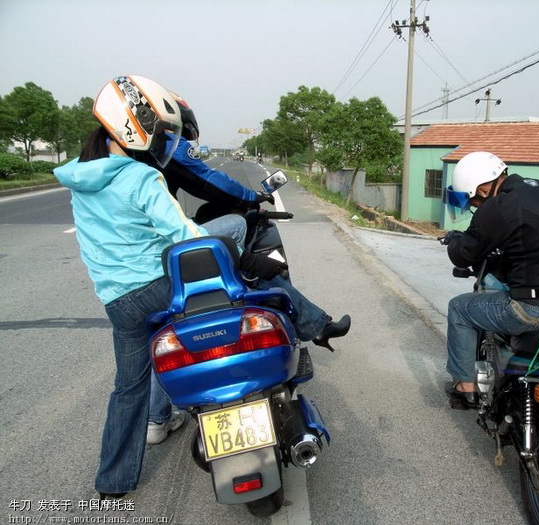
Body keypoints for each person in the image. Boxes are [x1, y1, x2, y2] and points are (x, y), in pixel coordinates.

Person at [53, 75, 350, 497]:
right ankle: (307, 322)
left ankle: (113, 482)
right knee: (236, 237)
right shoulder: (141, 178)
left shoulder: (82, 179)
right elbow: (185, 236)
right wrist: (240, 259)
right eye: (158, 135)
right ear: (131, 127)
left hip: (117, 300)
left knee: (128, 385)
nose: (162, 145)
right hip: (159, 285)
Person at [441, 151, 539, 409]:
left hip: (529, 310)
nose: (476, 206)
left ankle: (466, 387)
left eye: (474, 201)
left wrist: (455, 239)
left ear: (482, 191)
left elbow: (464, 255)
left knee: (460, 308)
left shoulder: (497, 207)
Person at [157, 93, 273, 246]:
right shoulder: (165, 143)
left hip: (145, 239)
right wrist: (251, 196)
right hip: (160, 242)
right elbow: (207, 180)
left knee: (206, 212)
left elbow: (196, 185)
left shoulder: (132, 154)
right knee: (238, 224)